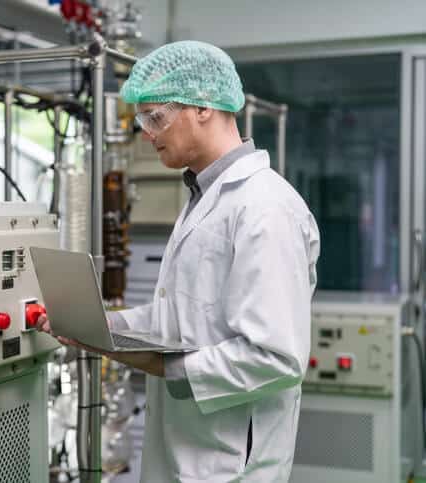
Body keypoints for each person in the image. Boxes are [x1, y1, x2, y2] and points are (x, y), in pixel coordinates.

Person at [36, 40, 321, 482]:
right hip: (186, 454)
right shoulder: (205, 198)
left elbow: (276, 357)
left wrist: (161, 365)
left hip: (228, 466)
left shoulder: (265, 208)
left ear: (203, 106)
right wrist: (103, 326)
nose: (146, 133)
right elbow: (183, 317)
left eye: (156, 117)